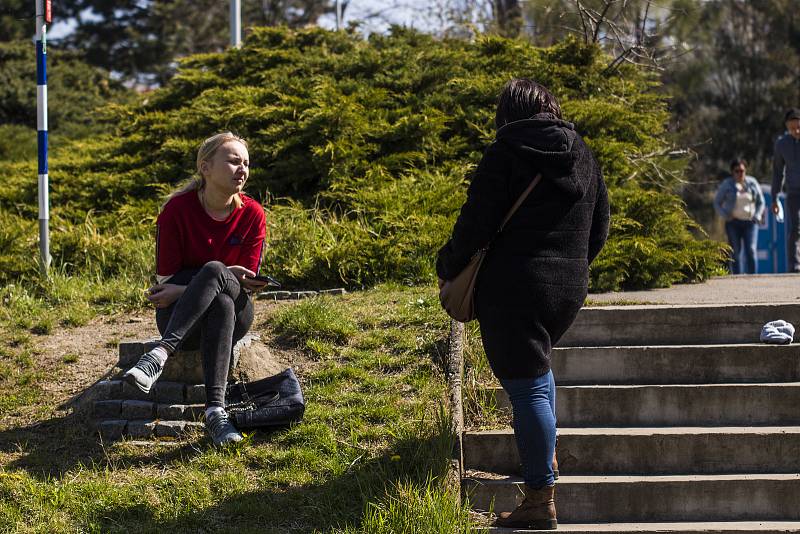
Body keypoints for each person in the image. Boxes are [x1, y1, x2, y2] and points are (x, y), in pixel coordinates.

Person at [436, 79, 609, 530]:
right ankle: (543, 462)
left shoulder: (505, 151)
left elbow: (475, 223)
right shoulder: (584, 154)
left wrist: (447, 264)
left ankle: (539, 496)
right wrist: (572, 267)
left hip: (514, 286)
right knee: (538, 372)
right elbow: (601, 226)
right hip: (568, 287)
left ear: (507, 113)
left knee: (527, 386)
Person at [123, 132, 268, 446]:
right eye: (233, 161)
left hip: (237, 316)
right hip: (181, 321)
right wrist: (192, 287)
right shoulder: (177, 210)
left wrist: (186, 288)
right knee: (220, 304)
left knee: (217, 274)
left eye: (246, 163)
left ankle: (159, 354)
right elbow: (164, 282)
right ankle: (216, 412)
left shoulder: (253, 213)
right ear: (205, 167)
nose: (242, 169)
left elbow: (244, 280)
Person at [713, 158, 765, 274]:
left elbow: (761, 202)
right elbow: (717, 202)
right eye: (737, 171)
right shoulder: (727, 184)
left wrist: (757, 216)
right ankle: (737, 278)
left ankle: (753, 277)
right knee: (736, 252)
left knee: (751, 250)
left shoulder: (752, 182)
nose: (740, 173)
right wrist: (725, 215)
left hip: (750, 223)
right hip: (733, 223)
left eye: (742, 171)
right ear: (732, 172)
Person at [772, 108, 800, 272]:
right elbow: (777, 172)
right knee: (796, 227)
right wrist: (774, 197)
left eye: (798, 127)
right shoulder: (782, 144)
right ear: (787, 127)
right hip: (794, 192)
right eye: (792, 128)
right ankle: (795, 265)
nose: (796, 131)